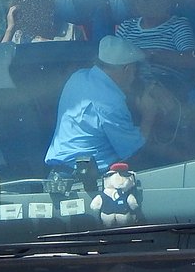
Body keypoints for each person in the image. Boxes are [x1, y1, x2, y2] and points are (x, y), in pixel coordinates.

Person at [44, 36, 170, 173]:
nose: (135, 75)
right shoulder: (111, 103)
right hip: (87, 180)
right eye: (135, 70)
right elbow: (133, 150)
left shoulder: (78, 77)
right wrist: (148, 114)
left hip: (58, 172)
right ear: (127, 69)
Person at [114, 0, 195, 92]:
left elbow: (191, 59)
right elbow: (111, 61)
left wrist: (151, 55)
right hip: (128, 87)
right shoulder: (126, 27)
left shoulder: (177, 25)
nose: (140, 1)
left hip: (164, 87)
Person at [0, 0, 70, 44]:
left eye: (37, 2)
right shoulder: (17, 36)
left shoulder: (69, 32)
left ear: (48, 3)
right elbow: (1, 55)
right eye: (26, 4)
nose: (32, 10)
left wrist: (45, 43)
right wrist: (9, 29)